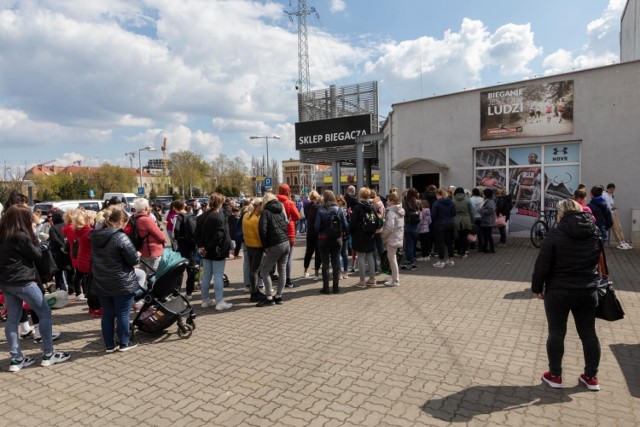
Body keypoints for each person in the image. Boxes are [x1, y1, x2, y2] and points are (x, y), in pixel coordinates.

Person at [532, 199, 602, 391]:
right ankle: (591, 377)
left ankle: (555, 375)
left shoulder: (555, 233)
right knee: (589, 333)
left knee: (556, 332)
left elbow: (542, 264)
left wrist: (537, 287)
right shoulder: (595, 232)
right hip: (587, 290)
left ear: (561, 215)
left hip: (558, 291)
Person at [0, 205, 71, 371]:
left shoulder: (3, 234)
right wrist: (39, 243)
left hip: (6, 282)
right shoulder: (20, 236)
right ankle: (48, 354)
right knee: (44, 312)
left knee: (12, 320)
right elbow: (37, 256)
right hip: (23, 281)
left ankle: (16, 359)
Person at [90, 208, 143, 352]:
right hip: (121, 281)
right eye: (125, 223)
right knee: (123, 314)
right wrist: (137, 254)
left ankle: (109, 345)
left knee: (108, 314)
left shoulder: (95, 236)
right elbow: (133, 260)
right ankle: (125, 343)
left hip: (102, 281)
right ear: (121, 221)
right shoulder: (120, 236)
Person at [196, 193, 232, 311]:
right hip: (217, 251)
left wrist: (201, 247)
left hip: (205, 251)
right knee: (217, 275)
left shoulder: (201, 216)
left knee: (206, 275)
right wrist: (206, 247)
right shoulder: (219, 216)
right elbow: (219, 235)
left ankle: (205, 300)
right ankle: (219, 301)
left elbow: (196, 234)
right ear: (220, 203)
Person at [257, 192, 290, 306]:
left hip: (275, 244)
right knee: (282, 270)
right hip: (286, 242)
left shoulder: (265, 212)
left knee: (265, 270)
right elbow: (286, 224)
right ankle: (279, 296)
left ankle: (269, 297)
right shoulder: (281, 209)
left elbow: (262, 230)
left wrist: (265, 246)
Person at [314, 190, 349, 294]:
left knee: (325, 264)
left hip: (323, 240)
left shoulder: (321, 210)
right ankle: (336, 287)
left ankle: (326, 288)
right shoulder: (339, 210)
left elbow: (317, 227)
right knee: (336, 263)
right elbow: (346, 226)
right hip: (337, 240)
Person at [349, 187, 378, 288]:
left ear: (360, 196)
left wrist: (351, 232)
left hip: (359, 235)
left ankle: (362, 281)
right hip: (370, 234)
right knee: (370, 255)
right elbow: (377, 221)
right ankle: (372, 279)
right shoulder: (372, 207)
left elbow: (352, 223)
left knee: (360, 256)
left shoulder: (358, 207)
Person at [129, 198, 166, 275]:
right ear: (146, 207)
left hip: (139, 250)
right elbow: (161, 236)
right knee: (153, 276)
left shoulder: (133, 218)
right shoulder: (146, 220)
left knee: (143, 274)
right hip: (151, 251)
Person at [172, 200, 198, 299]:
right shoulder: (191, 216)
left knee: (180, 269)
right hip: (192, 245)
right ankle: (189, 293)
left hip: (182, 246)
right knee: (191, 269)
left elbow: (175, 232)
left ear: (175, 207)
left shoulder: (177, 217)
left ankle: (177, 291)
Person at [276, 184, 300, 288]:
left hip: (276, 232)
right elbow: (297, 216)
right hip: (289, 232)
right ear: (288, 192)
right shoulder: (289, 203)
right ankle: (287, 280)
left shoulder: (274, 202)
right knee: (288, 257)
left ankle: (279, 277)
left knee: (278, 257)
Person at [242, 198, 265, 303]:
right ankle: (254, 293)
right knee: (255, 271)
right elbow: (259, 235)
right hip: (257, 247)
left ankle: (255, 291)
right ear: (259, 206)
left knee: (252, 270)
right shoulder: (256, 219)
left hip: (248, 245)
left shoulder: (246, 216)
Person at [381, 193, 405, 287]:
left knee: (392, 258)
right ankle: (394, 277)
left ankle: (395, 280)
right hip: (398, 236)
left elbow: (389, 227)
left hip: (392, 238)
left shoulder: (391, 212)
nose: (387, 202)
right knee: (393, 258)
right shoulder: (400, 210)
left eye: (388, 200)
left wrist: (382, 235)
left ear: (392, 201)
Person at [431, 187, 456, 267]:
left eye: (436, 195)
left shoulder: (437, 203)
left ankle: (441, 261)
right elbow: (454, 213)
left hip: (439, 224)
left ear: (439, 195)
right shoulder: (451, 202)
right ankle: (450, 260)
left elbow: (433, 215)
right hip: (449, 224)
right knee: (449, 242)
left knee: (440, 243)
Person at [602, 183, 632, 250]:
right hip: (609, 213)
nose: (612, 191)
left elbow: (611, 203)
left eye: (613, 189)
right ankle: (619, 243)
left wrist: (613, 207)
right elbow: (604, 205)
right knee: (615, 228)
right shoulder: (604, 195)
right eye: (611, 189)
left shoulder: (611, 195)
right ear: (608, 188)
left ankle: (623, 241)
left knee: (619, 227)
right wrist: (610, 208)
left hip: (614, 212)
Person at [302, 191, 321, 280]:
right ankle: (316, 273)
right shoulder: (318, 207)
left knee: (308, 251)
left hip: (309, 231)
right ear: (316, 197)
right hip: (316, 231)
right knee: (318, 252)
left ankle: (305, 271)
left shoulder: (306, 206)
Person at [401, 188, 421, 271]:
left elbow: (403, 212)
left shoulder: (404, 202)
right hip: (415, 225)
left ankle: (408, 261)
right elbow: (419, 212)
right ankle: (411, 262)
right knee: (412, 244)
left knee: (409, 244)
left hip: (407, 224)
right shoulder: (417, 202)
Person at [452, 187, 473, 258]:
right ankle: (463, 253)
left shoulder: (453, 201)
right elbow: (471, 212)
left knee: (457, 237)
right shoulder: (467, 200)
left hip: (456, 220)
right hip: (466, 220)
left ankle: (458, 252)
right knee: (464, 237)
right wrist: (472, 221)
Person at [479, 188, 496, 253]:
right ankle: (485, 247)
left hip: (488, 220)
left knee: (488, 234)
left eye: (483, 193)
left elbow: (491, 210)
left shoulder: (490, 201)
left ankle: (492, 248)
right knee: (485, 235)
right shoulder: (487, 200)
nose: (482, 194)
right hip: (485, 220)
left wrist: (483, 211)